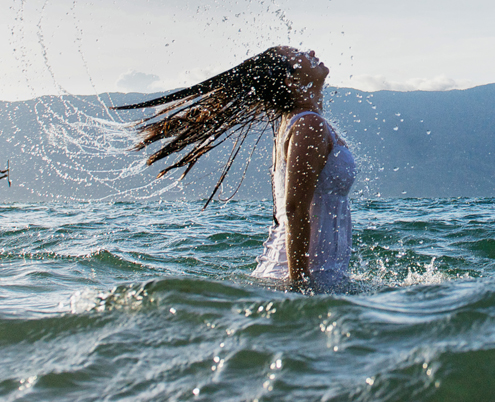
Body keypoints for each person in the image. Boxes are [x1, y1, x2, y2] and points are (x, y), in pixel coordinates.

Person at [115, 46, 355, 291]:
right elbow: (294, 209)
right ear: (291, 81)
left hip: (311, 277)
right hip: (294, 278)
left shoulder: (304, 122)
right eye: (299, 53)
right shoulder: (308, 124)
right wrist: (301, 287)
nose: (311, 51)